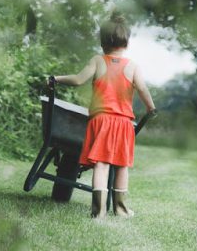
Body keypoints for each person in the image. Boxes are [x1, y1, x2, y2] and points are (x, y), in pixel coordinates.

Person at [53, 12, 156, 218]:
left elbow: (78, 79)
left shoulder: (98, 61)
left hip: (100, 121)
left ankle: (98, 211)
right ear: (126, 42)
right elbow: (143, 89)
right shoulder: (133, 66)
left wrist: (56, 78)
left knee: (101, 164)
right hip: (123, 123)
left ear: (103, 42)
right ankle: (120, 208)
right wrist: (151, 108)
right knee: (121, 166)